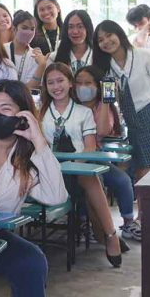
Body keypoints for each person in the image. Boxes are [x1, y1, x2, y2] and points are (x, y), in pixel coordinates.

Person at [0, 80, 67, 296]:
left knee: (32, 260)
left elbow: (56, 196)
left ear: (23, 117)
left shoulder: (28, 161)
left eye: (6, 109)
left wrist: (39, 140)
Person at [40, 62, 125, 267]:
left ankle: (111, 234)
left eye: (60, 80)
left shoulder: (83, 113)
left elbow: (89, 148)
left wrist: (73, 163)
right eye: (50, 82)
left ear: (71, 84)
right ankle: (107, 234)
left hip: (78, 168)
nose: (56, 86)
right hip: (50, 170)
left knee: (89, 177)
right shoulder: (41, 112)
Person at [92, 21, 150, 182]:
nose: (106, 41)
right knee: (143, 170)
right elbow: (109, 99)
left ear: (119, 34)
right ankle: (149, 206)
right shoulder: (104, 68)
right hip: (133, 120)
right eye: (100, 40)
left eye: (109, 35)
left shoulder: (144, 55)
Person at [74, 66, 141, 241]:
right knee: (92, 183)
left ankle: (127, 223)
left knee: (123, 180)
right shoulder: (70, 105)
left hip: (95, 158)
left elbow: (103, 130)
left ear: (98, 86)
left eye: (88, 83)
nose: (82, 87)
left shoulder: (102, 107)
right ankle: (85, 223)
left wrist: (105, 100)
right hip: (75, 159)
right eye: (78, 82)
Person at [2, 10, 47, 88]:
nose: (28, 32)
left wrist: (42, 65)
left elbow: (32, 87)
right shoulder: (2, 50)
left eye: (32, 29)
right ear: (14, 29)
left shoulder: (35, 56)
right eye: (24, 28)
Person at [49, 10, 94, 75]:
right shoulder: (53, 58)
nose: (75, 31)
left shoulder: (98, 56)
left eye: (80, 26)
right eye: (71, 27)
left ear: (88, 28)